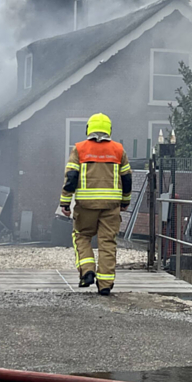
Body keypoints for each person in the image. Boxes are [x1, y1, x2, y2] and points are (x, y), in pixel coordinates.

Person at [59, 113, 131, 295]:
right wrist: (125, 201)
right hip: (111, 206)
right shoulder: (118, 150)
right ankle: (105, 284)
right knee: (107, 242)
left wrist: (65, 202)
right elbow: (127, 178)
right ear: (109, 130)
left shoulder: (79, 149)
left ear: (88, 129)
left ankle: (88, 269)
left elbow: (71, 178)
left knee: (81, 236)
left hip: (85, 205)